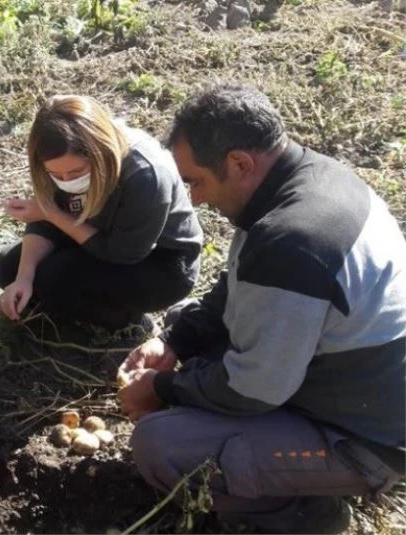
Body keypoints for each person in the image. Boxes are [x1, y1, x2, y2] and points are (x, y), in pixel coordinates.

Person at [118, 85, 405, 533]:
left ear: (239, 164)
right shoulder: (305, 179)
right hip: (344, 377)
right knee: (183, 319)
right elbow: (241, 285)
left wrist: (163, 389)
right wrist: (175, 342)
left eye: (197, 182)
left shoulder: (294, 240)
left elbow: (255, 390)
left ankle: (303, 514)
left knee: (162, 446)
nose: (195, 199)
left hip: (366, 438)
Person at [0, 95, 203, 331]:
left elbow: (123, 253)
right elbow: (45, 220)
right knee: (8, 267)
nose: (66, 181)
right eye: (56, 175)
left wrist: (52, 214)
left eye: (76, 172)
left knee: (55, 278)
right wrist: (23, 278)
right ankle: (66, 302)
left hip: (159, 262)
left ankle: (128, 321)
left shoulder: (145, 174)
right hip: (96, 231)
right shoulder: (58, 159)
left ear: (99, 153)